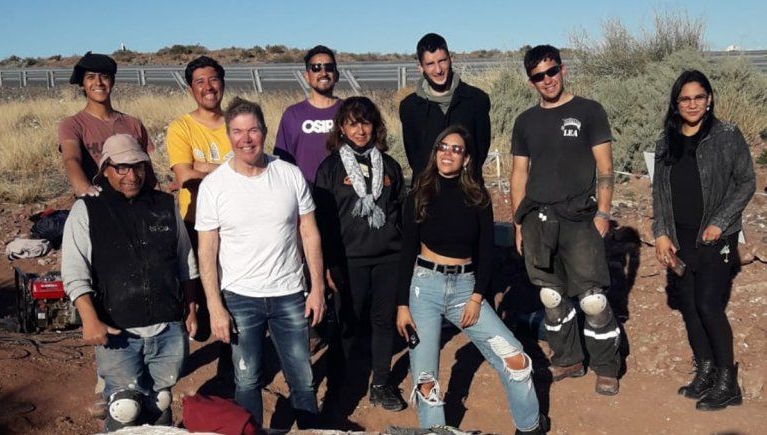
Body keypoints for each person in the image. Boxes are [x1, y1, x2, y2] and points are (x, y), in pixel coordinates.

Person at [396, 125, 547, 434]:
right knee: (426, 379)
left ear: (466, 159)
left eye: (456, 149)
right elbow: (406, 254)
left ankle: (531, 426)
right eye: (443, 147)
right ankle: (435, 430)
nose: (447, 153)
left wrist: (478, 296)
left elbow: (485, 253)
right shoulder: (418, 196)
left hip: (466, 289)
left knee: (515, 358)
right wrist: (402, 304)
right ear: (435, 153)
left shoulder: (478, 198)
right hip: (424, 287)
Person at [195, 97, 326, 428]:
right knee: (247, 379)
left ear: (264, 132)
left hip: (289, 293)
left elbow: (309, 233)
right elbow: (207, 250)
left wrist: (317, 289)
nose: (246, 138)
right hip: (240, 296)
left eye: (253, 130)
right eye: (238, 131)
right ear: (228, 135)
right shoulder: (214, 187)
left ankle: (311, 428)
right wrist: (215, 305)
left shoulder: (289, 174)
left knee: (302, 378)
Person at [61, 134, 198, 432]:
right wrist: (89, 319)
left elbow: (185, 259)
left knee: (160, 401)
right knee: (124, 408)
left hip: (167, 326)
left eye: (138, 166)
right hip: (117, 330)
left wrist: (190, 309)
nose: (132, 175)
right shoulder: (87, 210)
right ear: (106, 168)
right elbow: (74, 271)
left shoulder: (164, 205)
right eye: (122, 167)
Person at [509, 45, 620, 395]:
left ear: (562, 69)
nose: (547, 80)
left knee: (592, 299)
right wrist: (517, 222)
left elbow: (605, 166)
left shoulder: (589, 111)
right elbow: (518, 172)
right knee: (552, 297)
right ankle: (568, 358)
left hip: (580, 218)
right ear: (531, 82)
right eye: (539, 76)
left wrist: (603, 212)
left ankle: (606, 366)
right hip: (538, 220)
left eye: (552, 71)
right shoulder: (524, 121)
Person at [652, 70, 755, 411]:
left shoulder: (727, 135)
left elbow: (745, 182)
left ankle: (728, 381)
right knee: (690, 308)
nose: (692, 104)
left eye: (699, 97)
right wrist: (661, 233)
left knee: (709, 304)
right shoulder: (667, 140)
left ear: (709, 99)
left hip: (715, 237)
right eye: (685, 98)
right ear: (676, 103)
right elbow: (660, 193)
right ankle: (706, 370)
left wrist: (719, 222)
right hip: (679, 237)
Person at [314, 96, 406, 412]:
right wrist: (326, 264)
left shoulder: (390, 166)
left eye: (365, 122)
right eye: (353, 123)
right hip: (348, 260)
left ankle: (381, 383)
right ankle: (337, 387)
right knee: (345, 324)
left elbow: (400, 213)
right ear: (341, 126)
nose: (360, 130)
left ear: (375, 126)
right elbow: (322, 222)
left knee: (383, 322)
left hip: (388, 258)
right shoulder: (329, 168)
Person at [58, 52, 153, 197]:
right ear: (82, 84)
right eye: (90, 77)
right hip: (97, 200)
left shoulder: (133, 124)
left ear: (112, 82)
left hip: (136, 201)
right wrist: (84, 188)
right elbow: (71, 159)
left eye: (104, 76)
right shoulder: (72, 125)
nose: (98, 82)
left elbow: (147, 169)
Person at [399, 33, 491, 183]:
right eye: (430, 64)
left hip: (468, 193)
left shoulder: (477, 100)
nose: (438, 70)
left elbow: (480, 150)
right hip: (426, 194)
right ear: (420, 68)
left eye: (442, 61)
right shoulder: (409, 108)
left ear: (451, 59)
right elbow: (414, 156)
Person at [167, 55, 232, 230]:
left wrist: (205, 167)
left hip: (235, 219)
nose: (208, 87)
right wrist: (233, 176)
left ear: (223, 83)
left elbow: (253, 173)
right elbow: (185, 178)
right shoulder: (180, 127)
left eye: (213, 80)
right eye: (200, 82)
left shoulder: (239, 124)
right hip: (196, 222)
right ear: (190, 89)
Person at [275, 45, 342, 185]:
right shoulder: (293, 114)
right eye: (316, 68)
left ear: (336, 75)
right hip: (306, 196)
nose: (323, 73)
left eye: (329, 67)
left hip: (345, 199)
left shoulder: (350, 111)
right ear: (307, 76)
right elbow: (283, 161)